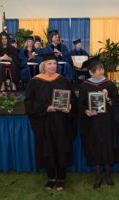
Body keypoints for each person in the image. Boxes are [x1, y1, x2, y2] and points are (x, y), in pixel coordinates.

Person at [24, 53, 77, 191]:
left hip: (61, 121)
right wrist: (46, 107)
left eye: (54, 63)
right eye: (49, 63)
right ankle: (51, 177)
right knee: (47, 148)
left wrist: (70, 106)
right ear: (43, 66)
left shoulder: (63, 80)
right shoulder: (34, 82)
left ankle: (61, 178)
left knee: (61, 147)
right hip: (44, 121)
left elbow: (73, 100)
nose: (53, 66)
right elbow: (29, 103)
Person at [78, 55, 119, 189]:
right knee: (95, 146)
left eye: (102, 69)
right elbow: (80, 104)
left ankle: (108, 175)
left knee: (107, 145)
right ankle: (98, 176)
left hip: (107, 120)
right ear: (90, 72)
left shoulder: (109, 84)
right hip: (92, 121)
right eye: (98, 69)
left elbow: (117, 103)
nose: (101, 71)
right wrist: (86, 111)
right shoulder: (84, 86)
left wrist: (108, 99)